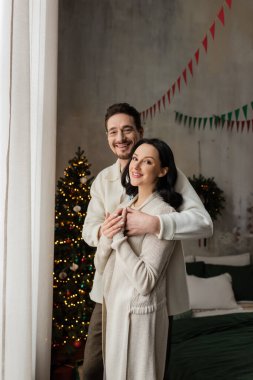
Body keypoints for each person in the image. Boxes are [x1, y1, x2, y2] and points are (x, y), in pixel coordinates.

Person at [82, 103, 213, 380]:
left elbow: (203, 223)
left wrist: (156, 224)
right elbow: (89, 231)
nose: (120, 138)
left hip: (150, 293)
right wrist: (108, 232)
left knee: (147, 367)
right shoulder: (103, 181)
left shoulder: (169, 178)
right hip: (109, 290)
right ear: (107, 136)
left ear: (140, 132)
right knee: (94, 368)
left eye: (127, 130)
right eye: (113, 132)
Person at [95, 138, 189, 380]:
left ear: (162, 170)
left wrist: (117, 240)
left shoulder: (164, 213)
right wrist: (107, 236)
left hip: (140, 317)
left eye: (147, 161)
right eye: (135, 158)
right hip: (115, 310)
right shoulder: (123, 205)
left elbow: (146, 281)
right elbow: (100, 265)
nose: (135, 166)